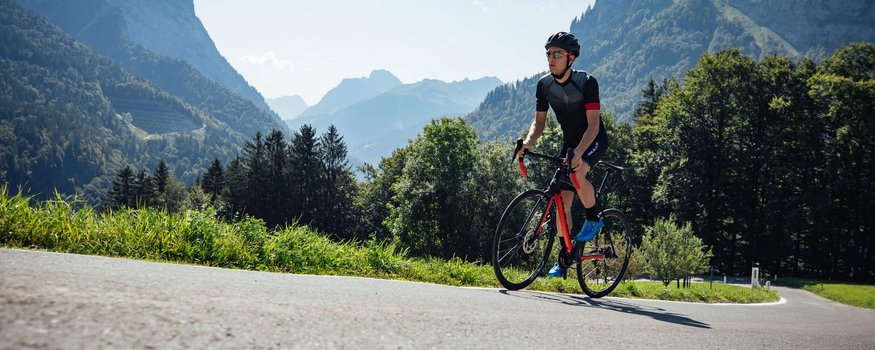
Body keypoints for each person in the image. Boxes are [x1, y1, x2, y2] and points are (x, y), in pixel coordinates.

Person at [516, 32, 610, 278]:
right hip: (569, 143)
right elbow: (539, 125)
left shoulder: (587, 83)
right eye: (549, 53)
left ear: (571, 58)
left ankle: (594, 217)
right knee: (561, 201)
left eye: (557, 54)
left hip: (593, 138)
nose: (551, 58)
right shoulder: (544, 85)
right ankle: (565, 256)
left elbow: (594, 125)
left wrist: (580, 152)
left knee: (578, 172)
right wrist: (527, 143)